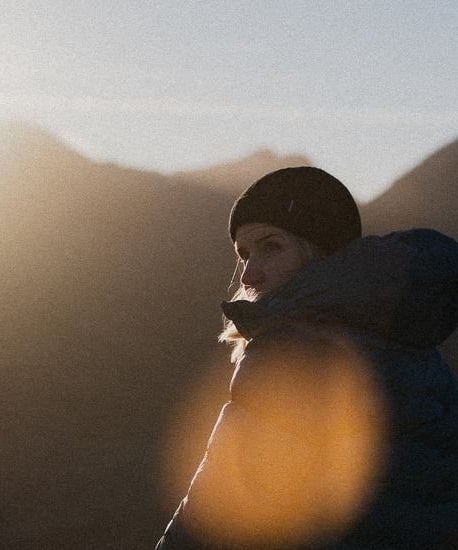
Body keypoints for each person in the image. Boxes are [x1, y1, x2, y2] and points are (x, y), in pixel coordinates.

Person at [156, 167, 458, 549]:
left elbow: (214, 519)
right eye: (244, 254)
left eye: (272, 246)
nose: (248, 274)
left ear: (321, 253)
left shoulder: (286, 356)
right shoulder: (425, 359)